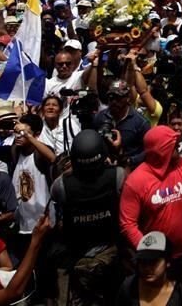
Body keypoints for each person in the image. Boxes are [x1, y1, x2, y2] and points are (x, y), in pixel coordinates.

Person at [120, 125, 182, 260]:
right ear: (161, 150)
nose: (178, 145)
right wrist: (148, 252)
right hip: (157, 259)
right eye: (174, 144)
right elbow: (128, 224)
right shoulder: (135, 181)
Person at [51, 130, 125, 306]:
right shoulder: (118, 176)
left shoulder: (61, 185)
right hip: (111, 252)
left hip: (77, 256)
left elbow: (55, 217)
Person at [115, 232, 182, 306]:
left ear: (167, 262)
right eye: (143, 262)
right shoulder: (129, 286)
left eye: (153, 262)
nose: (147, 268)